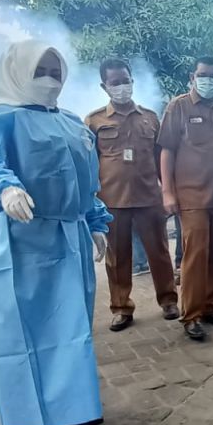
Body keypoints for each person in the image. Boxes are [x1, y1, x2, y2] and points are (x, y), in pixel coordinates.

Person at [0, 40, 112, 425]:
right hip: (21, 240)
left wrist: (95, 220)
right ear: (17, 70)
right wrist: (3, 188)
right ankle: (32, 416)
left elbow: (88, 180)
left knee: (71, 324)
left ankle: (72, 406)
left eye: (56, 72)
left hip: (68, 236)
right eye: (40, 70)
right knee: (25, 329)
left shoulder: (73, 122)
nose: (49, 79)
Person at [85, 58, 180, 332]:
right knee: (118, 258)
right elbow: (89, 164)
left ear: (132, 81)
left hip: (149, 198)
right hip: (111, 202)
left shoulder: (150, 118)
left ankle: (169, 301)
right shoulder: (94, 121)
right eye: (115, 82)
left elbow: (161, 159)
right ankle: (121, 307)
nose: (121, 86)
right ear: (105, 86)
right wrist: (91, 202)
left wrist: (169, 191)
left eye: (125, 80)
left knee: (159, 252)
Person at [159, 56, 213, 341]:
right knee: (195, 256)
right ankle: (191, 315)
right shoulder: (178, 107)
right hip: (192, 196)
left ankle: (210, 307)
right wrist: (167, 193)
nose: (209, 80)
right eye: (203, 75)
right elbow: (166, 151)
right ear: (193, 77)